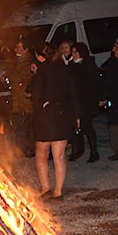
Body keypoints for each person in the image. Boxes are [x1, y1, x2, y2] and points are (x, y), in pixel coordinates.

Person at [30, 44, 78, 199]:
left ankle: (45, 188)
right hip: (63, 115)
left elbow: (35, 93)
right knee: (59, 156)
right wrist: (76, 116)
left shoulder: (42, 70)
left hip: (45, 116)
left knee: (41, 153)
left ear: (40, 56)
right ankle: (58, 191)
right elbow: (74, 93)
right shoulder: (66, 69)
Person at [68, 42, 103, 163]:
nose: (73, 55)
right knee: (75, 127)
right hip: (75, 101)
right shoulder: (71, 65)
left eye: (75, 52)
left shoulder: (88, 64)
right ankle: (77, 151)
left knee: (87, 126)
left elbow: (94, 84)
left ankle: (94, 152)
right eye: (72, 52)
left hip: (86, 102)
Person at [6, 38, 36, 158]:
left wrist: (25, 88)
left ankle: (29, 148)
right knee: (18, 125)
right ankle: (19, 148)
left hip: (26, 99)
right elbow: (10, 76)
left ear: (26, 49)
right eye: (16, 47)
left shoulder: (30, 62)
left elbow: (32, 79)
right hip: (16, 99)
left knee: (28, 124)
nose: (17, 49)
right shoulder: (13, 62)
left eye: (20, 47)